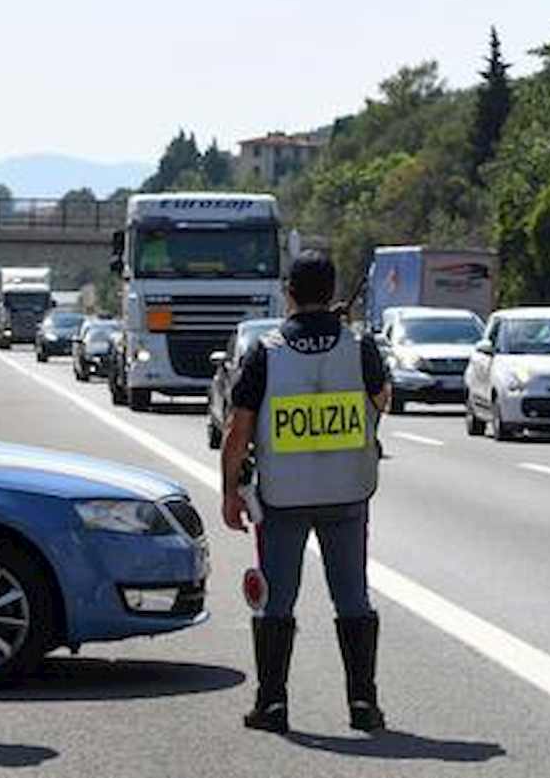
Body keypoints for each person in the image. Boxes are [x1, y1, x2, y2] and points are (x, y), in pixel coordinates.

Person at [220, 250, 390, 735]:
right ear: (332, 292)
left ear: (288, 292)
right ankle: (364, 705)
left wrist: (230, 491)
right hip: (348, 492)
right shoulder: (358, 346)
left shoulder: (266, 351)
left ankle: (271, 704)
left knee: (276, 602)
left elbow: (238, 430)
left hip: (283, 497)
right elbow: (381, 402)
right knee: (353, 597)